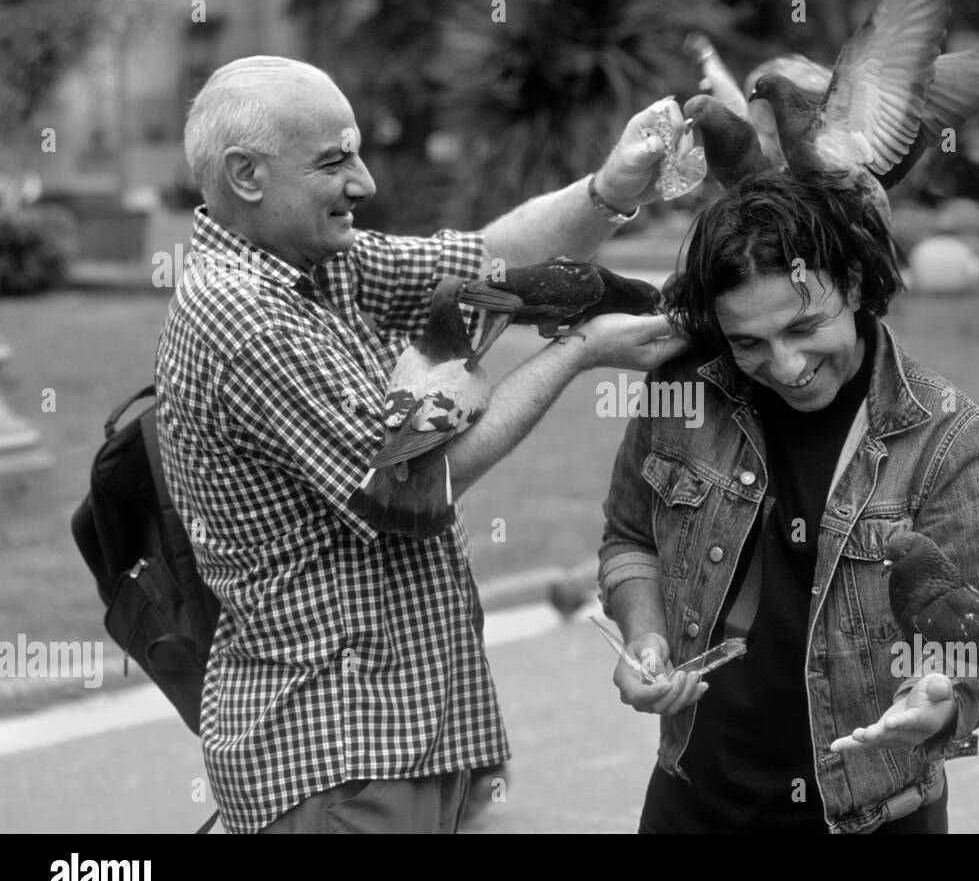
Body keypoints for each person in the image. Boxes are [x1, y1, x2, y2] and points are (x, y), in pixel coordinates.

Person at [154, 55, 688, 834]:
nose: (364, 182)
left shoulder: (317, 264)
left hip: (402, 741)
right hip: (335, 753)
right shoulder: (245, 318)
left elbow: (485, 259)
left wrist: (610, 188)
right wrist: (576, 352)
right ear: (246, 175)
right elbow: (414, 488)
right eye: (335, 161)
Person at [598, 171, 979, 833]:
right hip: (693, 804)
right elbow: (630, 538)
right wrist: (645, 640)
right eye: (748, 342)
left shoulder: (945, 435)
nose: (788, 364)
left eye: (804, 326)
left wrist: (938, 699)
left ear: (854, 284)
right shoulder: (681, 393)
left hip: (874, 818)